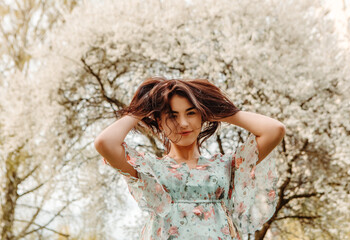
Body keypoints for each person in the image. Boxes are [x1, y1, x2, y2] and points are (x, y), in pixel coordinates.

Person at [94, 77, 285, 240]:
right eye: (172, 115)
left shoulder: (226, 166)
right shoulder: (149, 169)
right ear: (159, 121)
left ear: (202, 116)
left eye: (191, 113)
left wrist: (220, 111)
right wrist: (142, 109)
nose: (183, 123)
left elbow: (274, 130)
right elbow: (105, 143)